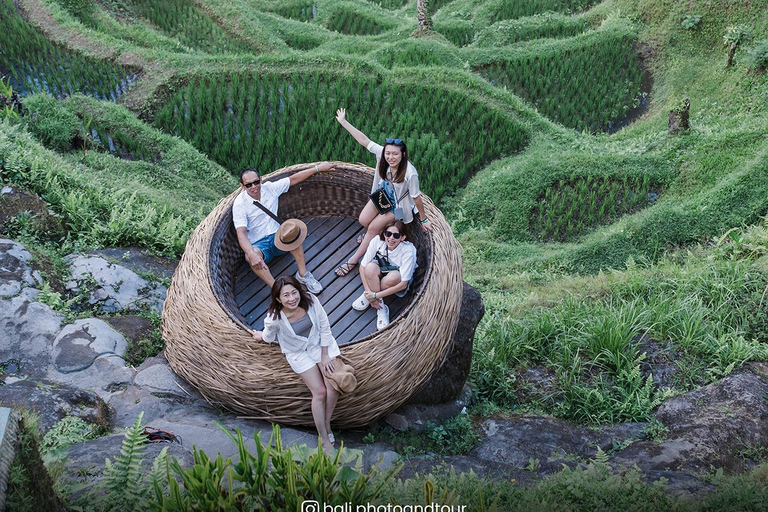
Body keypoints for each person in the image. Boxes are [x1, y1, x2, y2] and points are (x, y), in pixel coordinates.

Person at [334, 108, 432, 277]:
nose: (390, 157)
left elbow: (416, 198)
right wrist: (343, 122)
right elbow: (364, 140)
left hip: (398, 206)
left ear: (403, 155)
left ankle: (353, 260)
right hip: (383, 195)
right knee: (363, 220)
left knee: (372, 228)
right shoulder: (382, 155)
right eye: (388, 153)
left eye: (395, 154)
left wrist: (423, 219)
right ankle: (373, 234)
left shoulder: (410, 173)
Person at [251, 275, 341, 454]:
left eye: (294, 293)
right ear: (278, 298)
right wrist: (260, 336)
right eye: (286, 295)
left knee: (333, 387)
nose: (292, 298)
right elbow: (268, 336)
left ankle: (326, 423)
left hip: (319, 346)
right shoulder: (275, 318)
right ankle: (324, 438)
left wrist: (324, 355)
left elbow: (324, 326)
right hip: (298, 353)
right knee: (320, 392)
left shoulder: (311, 300)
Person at [233, 163, 335, 293]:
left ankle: (303, 274)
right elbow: (241, 233)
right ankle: (277, 288)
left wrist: (318, 168)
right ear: (242, 186)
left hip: (278, 237)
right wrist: (251, 253)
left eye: (256, 182)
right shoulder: (240, 204)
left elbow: (293, 179)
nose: (254, 187)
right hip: (260, 244)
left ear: (261, 180)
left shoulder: (269, 188)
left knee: (294, 232)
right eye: (248, 185)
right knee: (250, 256)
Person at [352, 220, 417, 330]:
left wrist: (375, 296)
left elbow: (403, 284)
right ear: (384, 233)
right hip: (382, 268)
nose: (391, 238)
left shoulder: (408, 251)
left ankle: (380, 306)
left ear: (403, 237)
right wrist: (369, 292)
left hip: (396, 277)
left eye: (396, 235)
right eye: (388, 234)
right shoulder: (377, 241)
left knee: (393, 277)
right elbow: (362, 267)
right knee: (369, 268)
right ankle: (378, 303)